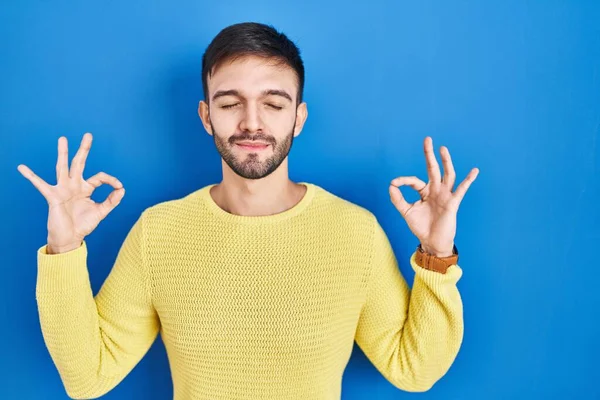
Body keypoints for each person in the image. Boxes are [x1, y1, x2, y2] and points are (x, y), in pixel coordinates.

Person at [18, 21, 479, 400]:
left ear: (297, 117)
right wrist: (64, 248)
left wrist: (437, 255)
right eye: (230, 102)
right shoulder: (158, 233)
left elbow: (414, 370)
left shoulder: (354, 232)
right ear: (206, 117)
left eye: (273, 103)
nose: (252, 122)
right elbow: (88, 377)